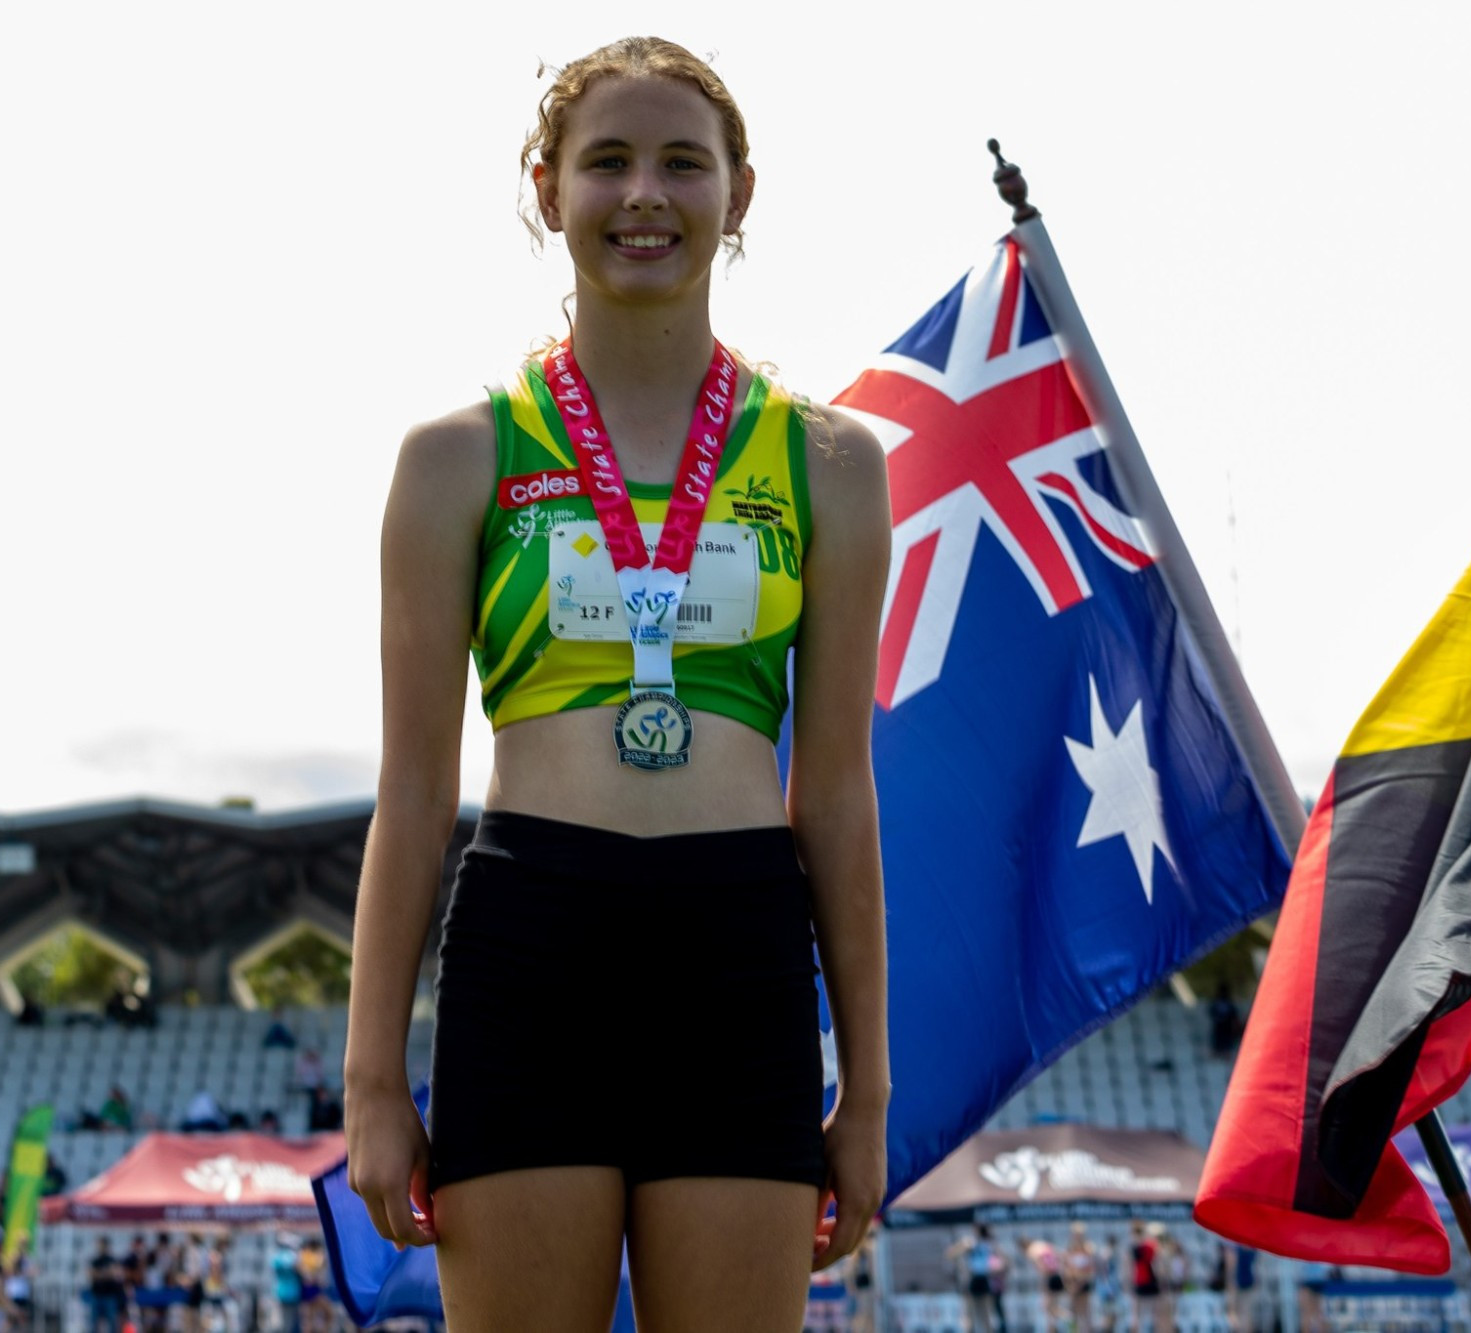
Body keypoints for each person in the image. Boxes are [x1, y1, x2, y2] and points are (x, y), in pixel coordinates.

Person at [340, 37, 890, 1333]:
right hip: (535, 942)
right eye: (608, 163)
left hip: (739, 949)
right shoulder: (453, 463)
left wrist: (864, 1091)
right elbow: (413, 795)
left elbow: (841, 797)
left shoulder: (832, 464)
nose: (645, 195)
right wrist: (372, 1077)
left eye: (682, 164)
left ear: (738, 193)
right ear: (547, 189)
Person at [946, 1225, 1003, 1333]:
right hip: (980, 1279)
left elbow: (950, 1254)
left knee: (974, 1315)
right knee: (980, 1315)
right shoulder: (987, 1244)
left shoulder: (973, 1243)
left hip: (977, 1279)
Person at [87, 1238, 126, 1333]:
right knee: (93, 1323)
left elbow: (115, 1274)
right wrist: (107, 1273)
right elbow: (90, 1274)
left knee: (112, 1323)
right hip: (96, 1296)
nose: (100, 1247)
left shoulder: (112, 1260)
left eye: (101, 1245)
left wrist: (99, 1274)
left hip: (110, 1296)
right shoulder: (95, 1261)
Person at [268, 1235, 301, 1333]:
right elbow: (300, 1271)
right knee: (290, 1322)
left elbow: (274, 1270)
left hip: (281, 1291)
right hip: (293, 1291)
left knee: (282, 1320)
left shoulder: (277, 1257)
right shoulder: (294, 1257)